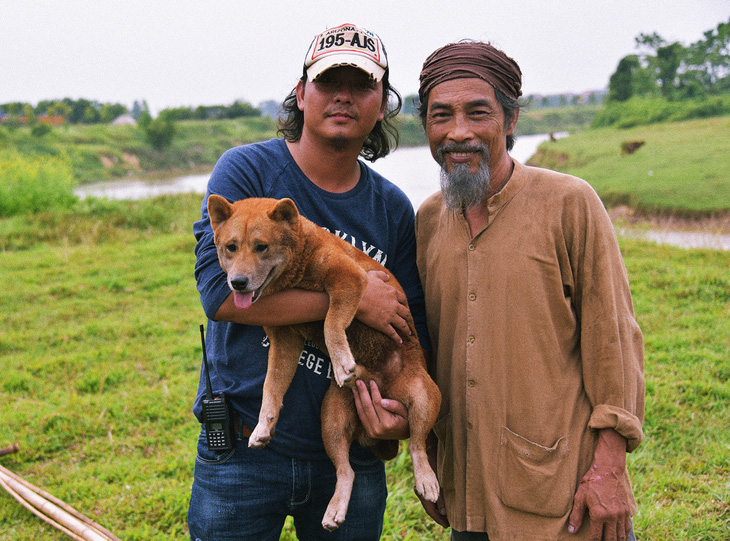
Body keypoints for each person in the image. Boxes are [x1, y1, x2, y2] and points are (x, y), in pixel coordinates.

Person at [187, 23, 426, 540]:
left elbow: (411, 329)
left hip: (351, 453)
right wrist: (352, 302)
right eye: (328, 81)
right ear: (301, 94)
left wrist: (401, 415)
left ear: (382, 104)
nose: (343, 95)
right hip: (242, 447)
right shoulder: (247, 171)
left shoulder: (391, 208)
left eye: (361, 85)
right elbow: (219, 296)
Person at [413, 41, 646, 541]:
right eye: (441, 116)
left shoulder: (569, 203)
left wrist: (609, 467)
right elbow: (430, 350)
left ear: (511, 119)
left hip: (566, 499)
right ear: (424, 125)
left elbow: (614, 339)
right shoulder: (429, 221)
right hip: (468, 498)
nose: (459, 132)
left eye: (479, 112)